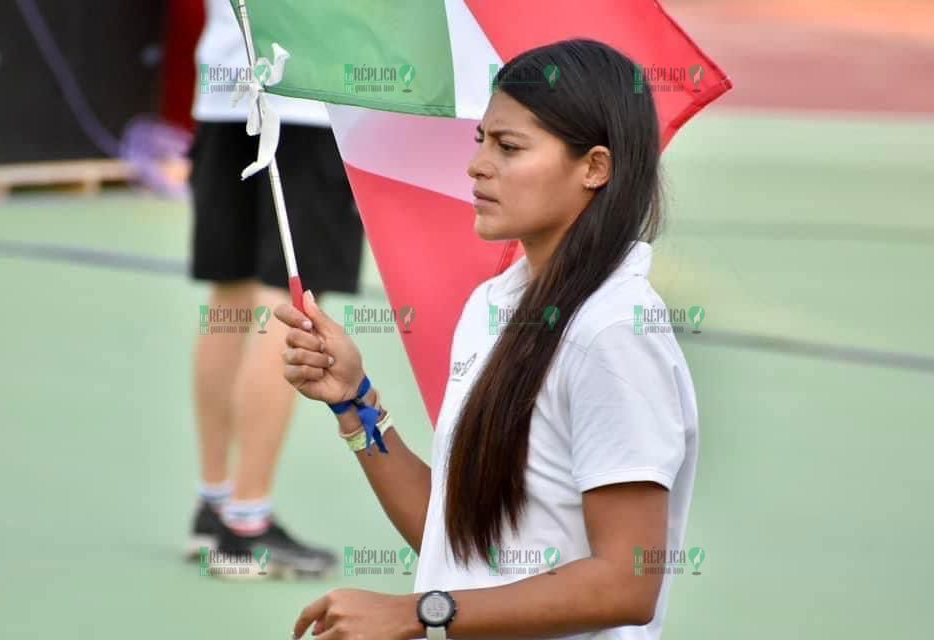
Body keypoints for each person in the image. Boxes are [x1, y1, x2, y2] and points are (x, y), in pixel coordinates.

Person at [276, 39, 699, 638]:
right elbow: (458, 542)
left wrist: (419, 613)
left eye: (509, 147)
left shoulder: (615, 330)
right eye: (481, 141)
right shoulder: (493, 307)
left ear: (594, 168)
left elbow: (625, 584)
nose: (478, 165)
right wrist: (354, 402)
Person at [185, 0, 362, 578]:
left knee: (231, 298)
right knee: (290, 307)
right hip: (306, 93)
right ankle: (246, 524)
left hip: (224, 86)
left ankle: (214, 507)